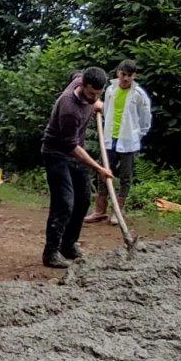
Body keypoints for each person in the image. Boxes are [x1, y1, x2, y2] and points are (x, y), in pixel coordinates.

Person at [40, 67, 114, 269]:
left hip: (75, 151)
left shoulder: (80, 80)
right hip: (56, 153)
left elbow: (73, 73)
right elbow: (70, 146)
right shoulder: (69, 107)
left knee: (82, 201)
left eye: (98, 94)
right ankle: (51, 252)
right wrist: (99, 167)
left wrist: (97, 102)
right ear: (82, 87)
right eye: (91, 94)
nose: (94, 98)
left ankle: (68, 244)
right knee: (64, 202)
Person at [85, 60, 152, 224]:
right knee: (102, 172)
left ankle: (118, 212)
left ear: (134, 76)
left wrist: (137, 136)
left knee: (125, 177)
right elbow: (106, 111)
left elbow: (145, 120)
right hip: (109, 139)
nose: (126, 78)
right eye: (123, 74)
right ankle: (100, 210)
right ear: (118, 73)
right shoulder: (110, 90)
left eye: (130, 75)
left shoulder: (139, 95)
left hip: (128, 141)